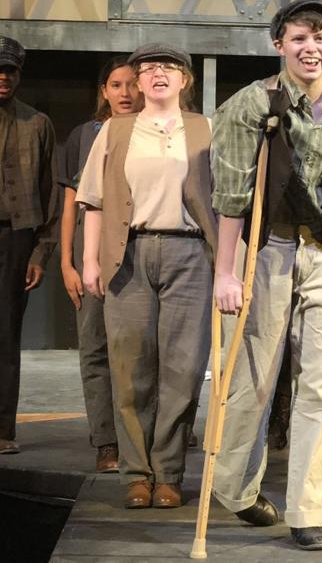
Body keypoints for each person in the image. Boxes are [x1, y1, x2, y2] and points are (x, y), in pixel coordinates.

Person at [209, 0, 322, 551]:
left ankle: (309, 509)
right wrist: (226, 272)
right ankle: (236, 488)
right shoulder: (252, 103)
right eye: (300, 38)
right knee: (254, 378)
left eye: (320, 37)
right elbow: (231, 197)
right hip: (269, 249)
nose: (311, 48)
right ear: (279, 43)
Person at [77, 43, 216, 510]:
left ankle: (169, 473)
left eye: (169, 67)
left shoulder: (204, 128)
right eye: (150, 68)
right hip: (129, 253)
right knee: (130, 367)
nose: (159, 74)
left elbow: (225, 201)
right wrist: (91, 260)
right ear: (137, 81)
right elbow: (93, 200)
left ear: (184, 79)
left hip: (189, 253)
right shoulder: (115, 130)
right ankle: (137, 474)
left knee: (183, 368)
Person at [57, 56, 141, 473]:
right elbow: (71, 202)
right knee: (94, 346)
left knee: (140, 347)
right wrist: (67, 262)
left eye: (131, 83)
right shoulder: (84, 136)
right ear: (103, 91)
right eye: (115, 85)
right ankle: (106, 441)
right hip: (90, 248)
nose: (125, 92)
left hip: (137, 247)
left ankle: (141, 437)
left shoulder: (153, 131)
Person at [0, 36, 58, 455]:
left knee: (6, 334)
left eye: (10, 70)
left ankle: (3, 429)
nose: (3, 77)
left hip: (16, 237)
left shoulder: (36, 123)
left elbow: (49, 193)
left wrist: (41, 252)